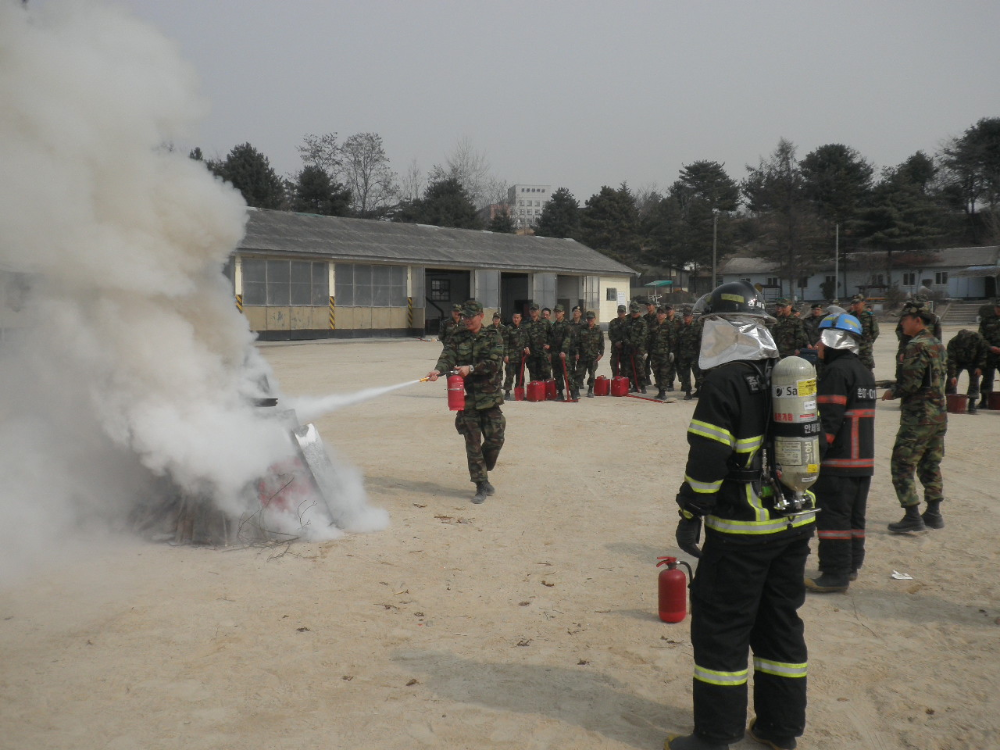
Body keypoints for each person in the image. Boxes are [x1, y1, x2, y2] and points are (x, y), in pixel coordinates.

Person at [667, 281, 815, 750]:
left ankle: (715, 736)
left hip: (742, 529)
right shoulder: (786, 373)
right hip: (794, 520)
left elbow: (708, 459)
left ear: (723, 328)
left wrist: (691, 510)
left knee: (722, 629)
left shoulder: (727, 380)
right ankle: (779, 729)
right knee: (780, 624)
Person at [804, 313, 876, 594]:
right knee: (854, 518)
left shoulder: (836, 372)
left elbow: (828, 422)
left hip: (839, 461)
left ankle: (834, 574)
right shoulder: (863, 371)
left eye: (821, 340)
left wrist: (812, 457)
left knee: (833, 518)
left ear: (834, 340)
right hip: (862, 461)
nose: (817, 345)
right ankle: (851, 565)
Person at [426, 300, 505, 505]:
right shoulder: (457, 336)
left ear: (481, 316)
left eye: (470, 316)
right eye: (464, 316)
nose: (467, 320)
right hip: (467, 398)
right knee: (472, 443)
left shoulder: (493, 336)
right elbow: (447, 356)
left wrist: (471, 368)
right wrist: (438, 370)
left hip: (489, 397)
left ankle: (483, 469)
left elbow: (494, 363)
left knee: (496, 439)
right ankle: (481, 483)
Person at [881, 301, 948, 532]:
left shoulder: (916, 345)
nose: (902, 323)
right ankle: (933, 513)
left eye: (904, 319)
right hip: (938, 414)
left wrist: (893, 392)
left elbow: (911, 384)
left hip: (919, 416)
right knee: (930, 463)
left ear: (917, 320)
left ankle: (911, 515)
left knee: (902, 464)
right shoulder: (937, 343)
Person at [946, 328, 988, 414]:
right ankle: (951, 401)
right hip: (958, 362)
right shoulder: (953, 343)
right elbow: (951, 360)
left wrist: (979, 367)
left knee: (975, 379)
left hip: (973, 362)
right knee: (951, 380)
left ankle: (972, 403)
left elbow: (983, 354)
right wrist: (952, 375)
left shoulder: (978, 339)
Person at [648, 306, 676, 400]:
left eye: (662, 313)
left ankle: (663, 391)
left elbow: (672, 339)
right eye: (658, 313)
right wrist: (646, 351)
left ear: (665, 315)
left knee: (664, 372)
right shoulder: (652, 324)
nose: (660, 315)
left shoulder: (669, 325)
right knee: (656, 372)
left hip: (664, 353)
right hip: (654, 352)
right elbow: (648, 338)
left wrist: (672, 351)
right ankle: (660, 390)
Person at [576, 310, 605, 397]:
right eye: (588, 319)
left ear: (595, 319)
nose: (590, 320)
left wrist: (601, 354)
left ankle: (590, 390)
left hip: (593, 356)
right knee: (579, 374)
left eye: (591, 319)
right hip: (582, 356)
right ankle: (576, 391)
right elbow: (576, 343)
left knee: (592, 374)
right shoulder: (581, 329)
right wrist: (577, 353)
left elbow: (601, 343)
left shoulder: (598, 330)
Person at [978, 298, 1000, 409]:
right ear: (995, 308)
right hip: (989, 353)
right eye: (998, 307)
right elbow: (980, 337)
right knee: (987, 378)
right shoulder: (986, 320)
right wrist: (990, 347)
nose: (999, 309)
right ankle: (984, 400)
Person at [848, 295, 879, 371]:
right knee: (853, 370)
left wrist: (868, 343)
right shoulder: (850, 316)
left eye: (857, 303)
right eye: (854, 304)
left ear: (863, 303)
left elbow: (875, 332)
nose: (855, 305)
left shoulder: (869, 316)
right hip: (853, 348)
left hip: (865, 350)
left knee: (867, 370)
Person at [548, 304, 573, 400]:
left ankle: (573, 392)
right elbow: (551, 340)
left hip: (563, 353)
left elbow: (567, 339)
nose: (557, 313)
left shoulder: (567, 325)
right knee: (557, 374)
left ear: (563, 312)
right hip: (555, 353)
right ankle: (560, 393)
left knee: (567, 374)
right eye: (556, 312)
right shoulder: (553, 326)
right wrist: (550, 352)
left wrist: (563, 351)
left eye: (559, 312)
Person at [502, 311, 529, 398]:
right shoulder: (508, 328)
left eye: (517, 318)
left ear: (520, 318)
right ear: (512, 318)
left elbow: (526, 340)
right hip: (511, 356)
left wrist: (527, 347)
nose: (516, 319)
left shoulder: (523, 328)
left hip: (521, 357)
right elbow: (505, 343)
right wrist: (506, 355)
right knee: (509, 375)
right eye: (514, 318)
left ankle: (519, 392)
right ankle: (507, 392)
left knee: (520, 376)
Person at [676, 306, 700, 400]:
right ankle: (687, 392)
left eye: (688, 316)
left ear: (692, 316)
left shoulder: (697, 327)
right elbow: (678, 341)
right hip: (683, 355)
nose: (686, 318)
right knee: (685, 375)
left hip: (694, 355)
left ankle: (699, 390)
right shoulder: (681, 327)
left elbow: (700, 341)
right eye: (685, 316)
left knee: (698, 375)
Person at [624, 301, 648, 393]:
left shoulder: (643, 322)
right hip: (629, 348)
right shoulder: (628, 321)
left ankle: (642, 386)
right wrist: (628, 343)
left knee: (640, 368)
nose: (634, 314)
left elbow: (643, 335)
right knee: (630, 368)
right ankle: (634, 385)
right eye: (633, 312)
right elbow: (624, 335)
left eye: (636, 312)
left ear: (639, 312)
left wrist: (635, 344)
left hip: (639, 349)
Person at [524, 304, 551, 382]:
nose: (533, 312)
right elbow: (523, 337)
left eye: (535, 310)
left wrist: (549, 344)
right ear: (529, 311)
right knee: (534, 376)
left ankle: (547, 389)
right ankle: (536, 390)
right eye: (531, 310)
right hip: (531, 354)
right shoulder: (525, 323)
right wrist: (526, 347)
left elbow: (552, 334)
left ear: (538, 311)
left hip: (543, 353)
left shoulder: (545, 322)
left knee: (546, 374)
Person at [608, 304, 628, 377]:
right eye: (619, 311)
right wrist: (616, 342)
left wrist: (622, 342)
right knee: (614, 365)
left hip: (625, 349)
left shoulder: (629, 322)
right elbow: (610, 334)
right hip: (615, 348)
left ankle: (624, 381)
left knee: (625, 368)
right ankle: (616, 379)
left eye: (622, 312)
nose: (620, 313)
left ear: (625, 312)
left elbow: (629, 334)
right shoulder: (613, 322)